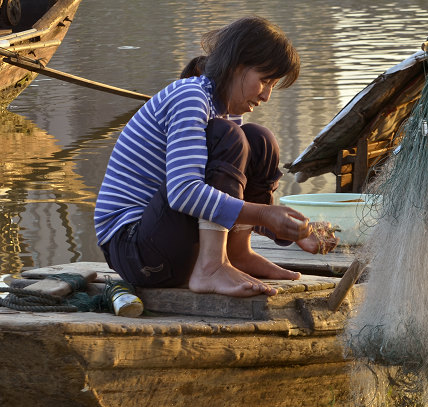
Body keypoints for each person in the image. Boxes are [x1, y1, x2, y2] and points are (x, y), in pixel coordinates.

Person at [94, 16, 337, 298]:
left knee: (259, 140)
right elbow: (184, 193)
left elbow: (223, 197)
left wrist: (295, 232)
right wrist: (264, 214)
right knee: (230, 136)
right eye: (265, 81)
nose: (267, 96)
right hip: (136, 251)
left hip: (163, 240)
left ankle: (236, 253)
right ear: (237, 67)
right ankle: (212, 265)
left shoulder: (222, 110)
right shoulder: (191, 97)